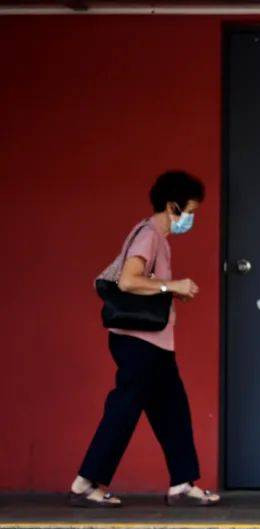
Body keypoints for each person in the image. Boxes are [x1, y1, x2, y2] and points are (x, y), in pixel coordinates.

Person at [69, 171, 220, 508]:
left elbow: (143, 284)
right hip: (139, 343)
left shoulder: (157, 238)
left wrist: (169, 291)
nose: (192, 219)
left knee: (173, 410)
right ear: (172, 206)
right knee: (124, 409)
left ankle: (182, 483)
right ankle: (85, 483)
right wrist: (173, 286)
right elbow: (127, 281)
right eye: (190, 212)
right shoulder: (149, 235)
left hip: (154, 343)